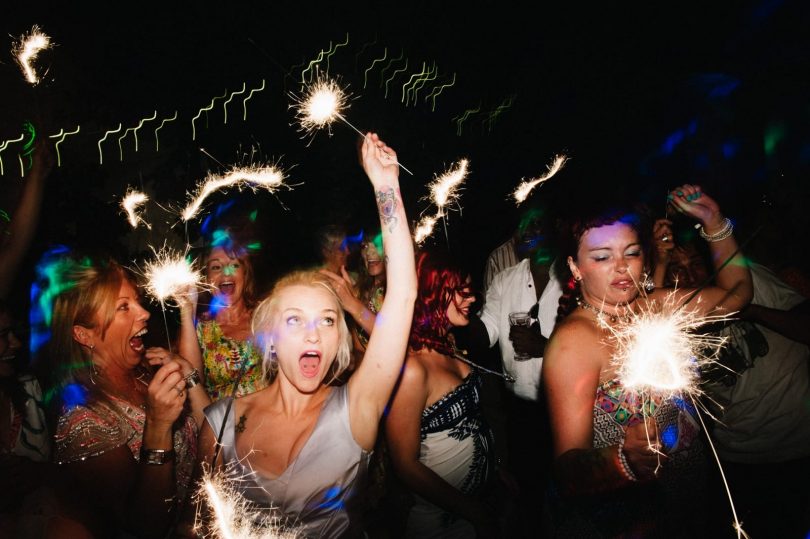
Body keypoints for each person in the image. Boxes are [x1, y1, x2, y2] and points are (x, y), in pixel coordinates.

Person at [181, 132, 416, 538]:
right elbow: (201, 525)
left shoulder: (355, 410)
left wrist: (386, 186)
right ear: (268, 338)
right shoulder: (219, 425)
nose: (314, 335)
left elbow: (403, 295)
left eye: (327, 320)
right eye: (294, 321)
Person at [541, 184, 752, 537]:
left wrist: (714, 222)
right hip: (627, 520)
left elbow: (737, 295)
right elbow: (568, 469)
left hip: (685, 499)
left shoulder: (652, 304)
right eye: (602, 257)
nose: (622, 267)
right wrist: (624, 460)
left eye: (632, 252)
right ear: (575, 268)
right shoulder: (574, 342)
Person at [35, 250, 205, 538]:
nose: (145, 313)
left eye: (137, 301)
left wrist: (187, 372)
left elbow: (206, 428)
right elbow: (144, 525)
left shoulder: (145, 370)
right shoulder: (82, 421)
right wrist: (158, 427)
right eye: (123, 307)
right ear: (83, 334)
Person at [385, 248, 497, 538]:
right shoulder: (412, 370)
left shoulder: (448, 341)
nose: (471, 299)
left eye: (471, 291)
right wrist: (473, 511)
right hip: (440, 521)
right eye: (461, 291)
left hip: (478, 504)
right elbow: (405, 465)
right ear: (433, 293)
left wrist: (496, 471)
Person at [468, 200, 563, 536]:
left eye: (537, 224)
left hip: (566, 407)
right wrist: (459, 320)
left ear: (554, 229)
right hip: (521, 410)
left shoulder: (572, 278)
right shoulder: (505, 280)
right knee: (529, 496)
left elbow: (594, 343)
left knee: (568, 492)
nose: (528, 232)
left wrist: (544, 347)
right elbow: (486, 333)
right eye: (523, 225)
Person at [701, 261, 810, 538]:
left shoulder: (746, 279)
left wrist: (748, 310)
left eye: (691, 260)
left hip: (801, 443)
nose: (688, 272)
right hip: (741, 458)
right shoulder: (665, 311)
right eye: (677, 265)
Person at [177, 233, 268, 401]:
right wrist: (186, 311)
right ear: (206, 279)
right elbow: (192, 384)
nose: (226, 272)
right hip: (222, 425)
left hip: (269, 418)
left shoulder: (266, 315)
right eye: (216, 267)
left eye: (234, 265)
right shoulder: (199, 329)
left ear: (245, 274)